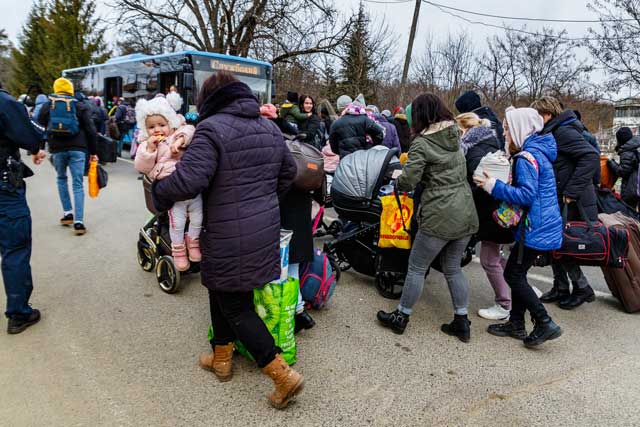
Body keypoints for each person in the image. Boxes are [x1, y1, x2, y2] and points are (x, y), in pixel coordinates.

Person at [152, 71, 302, 409]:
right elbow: (288, 174)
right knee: (220, 287)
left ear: (209, 100)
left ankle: (281, 374)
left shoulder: (211, 129)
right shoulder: (269, 127)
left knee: (236, 305)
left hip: (227, 231)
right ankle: (221, 355)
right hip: (261, 228)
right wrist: (262, 200)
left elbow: (188, 181)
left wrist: (159, 193)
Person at [377, 93, 479, 341]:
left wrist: (399, 182)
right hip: (465, 210)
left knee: (416, 266)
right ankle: (461, 321)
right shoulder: (455, 134)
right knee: (453, 268)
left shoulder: (422, 143)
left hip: (439, 213)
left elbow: (409, 179)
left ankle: (401, 316)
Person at [474, 107, 564, 347]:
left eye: (507, 128)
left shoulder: (525, 158)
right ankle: (516, 323)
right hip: (542, 224)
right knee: (517, 273)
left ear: (519, 129)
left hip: (534, 227)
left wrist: (492, 185)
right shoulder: (538, 152)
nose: (505, 132)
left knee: (512, 274)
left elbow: (526, 195)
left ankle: (544, 322)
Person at [531, 96, 599, 310]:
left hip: (572, 201)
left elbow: (590, 157)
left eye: (538, 116)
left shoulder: (563, 132)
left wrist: (571, 191)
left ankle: (582, 288)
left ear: (548, 115)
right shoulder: (555, 130)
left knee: (565, 244)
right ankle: (561, 286)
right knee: (555, 242)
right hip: (562, 198)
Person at [0, 81, 47, 334]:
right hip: (4, 187)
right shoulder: (5, 103)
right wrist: (36, 147)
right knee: (15, 249)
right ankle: (18, 312)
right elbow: (30, 134)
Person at [457, 112, 513, 321]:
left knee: (490, 260)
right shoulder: (491, 143)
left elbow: (478, 184)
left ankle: (504, 304)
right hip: (499, 210)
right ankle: (519, 285)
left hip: (489, 213)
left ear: (465, 130)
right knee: (498, 257)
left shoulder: (473, 152)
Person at [134, 97, 199, 272]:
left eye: (161, 125)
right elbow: (142, 167)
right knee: (177, 222)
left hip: (188, 183)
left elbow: (190, 130)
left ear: (170, 123)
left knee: (198, 218)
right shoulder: (146, 145)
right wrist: (150, 150)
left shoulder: (178, 133)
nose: (157, 130)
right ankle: (178, 251)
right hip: (169, 188)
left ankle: (193, 243)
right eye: (151, 127)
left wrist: (179, 141)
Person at [37, 77, 98, 235]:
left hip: (57, 148)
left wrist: (39, 147)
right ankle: (79, 222)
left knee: (61, 178)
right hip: (78, 148)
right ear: (71, 89)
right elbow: (91, 130)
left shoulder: (48, 105)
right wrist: (94, 152)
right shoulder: (79, 105)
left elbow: (39, 126)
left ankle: (67, 213)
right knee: (77, 183)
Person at [608, 127, 640, 210]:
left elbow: (623, 172)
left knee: (628, 212)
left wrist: (612, 164)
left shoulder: (627, 151)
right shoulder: (635, 146)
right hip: (636, 185)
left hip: (631, 187)